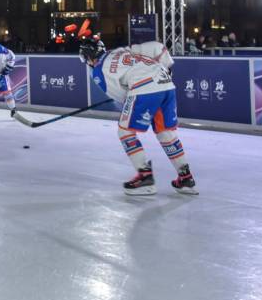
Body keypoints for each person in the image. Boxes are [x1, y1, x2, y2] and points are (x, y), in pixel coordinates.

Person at [78, 35, 198, 196]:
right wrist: (167, 68)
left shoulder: (99, 72)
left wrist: (135, 96)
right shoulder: (121, 51)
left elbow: (121, 96)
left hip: (144, 88)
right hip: (167, 83)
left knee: (125, 131)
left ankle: (145, 178)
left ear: (88, 57)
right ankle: (185, 178)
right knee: (165, 133)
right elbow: (157, 47)